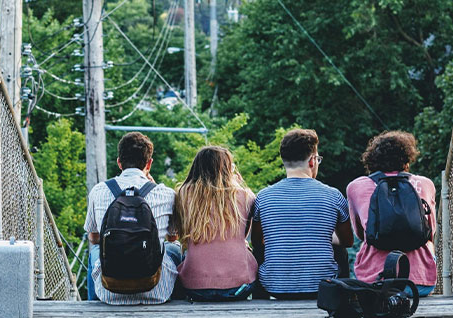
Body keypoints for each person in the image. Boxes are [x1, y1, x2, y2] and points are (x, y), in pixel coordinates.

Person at [251, 129, 354, 299]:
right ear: (312, 161)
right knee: (339, 251)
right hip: (322, 287)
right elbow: (348, 241)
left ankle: (260, 300)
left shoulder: (263, 197)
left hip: (274, 287)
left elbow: (257, 242)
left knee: (261, 250)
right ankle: (341, 299)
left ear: (283, 161)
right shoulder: (333, 195)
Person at [84, 132, 180, 304]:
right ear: (149, 164)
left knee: (95, 251)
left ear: (119, 162)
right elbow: (173, 237)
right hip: (156, 290)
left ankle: (94, 303)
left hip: (109, 292)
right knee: (174, 249)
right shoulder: (166, 194)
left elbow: (93, 237)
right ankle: (179, 301)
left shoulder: (98, 191)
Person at [347, 131, 437, 296]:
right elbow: (430, 231)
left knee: (365, 244)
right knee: (429, 245)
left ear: (371, 160)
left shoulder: (356, 186)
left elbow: (361, 234)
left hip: (375, 283)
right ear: (407, 160)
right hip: (420, 285)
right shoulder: (425, 184)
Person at [175, 146, 258, 301]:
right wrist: (238, 186)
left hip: (194, 287)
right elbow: (244, 235)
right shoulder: (245, 196)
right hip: (238, 287)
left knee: (174, 250)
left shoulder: (183, 195)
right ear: (228, 169)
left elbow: (179, 234)